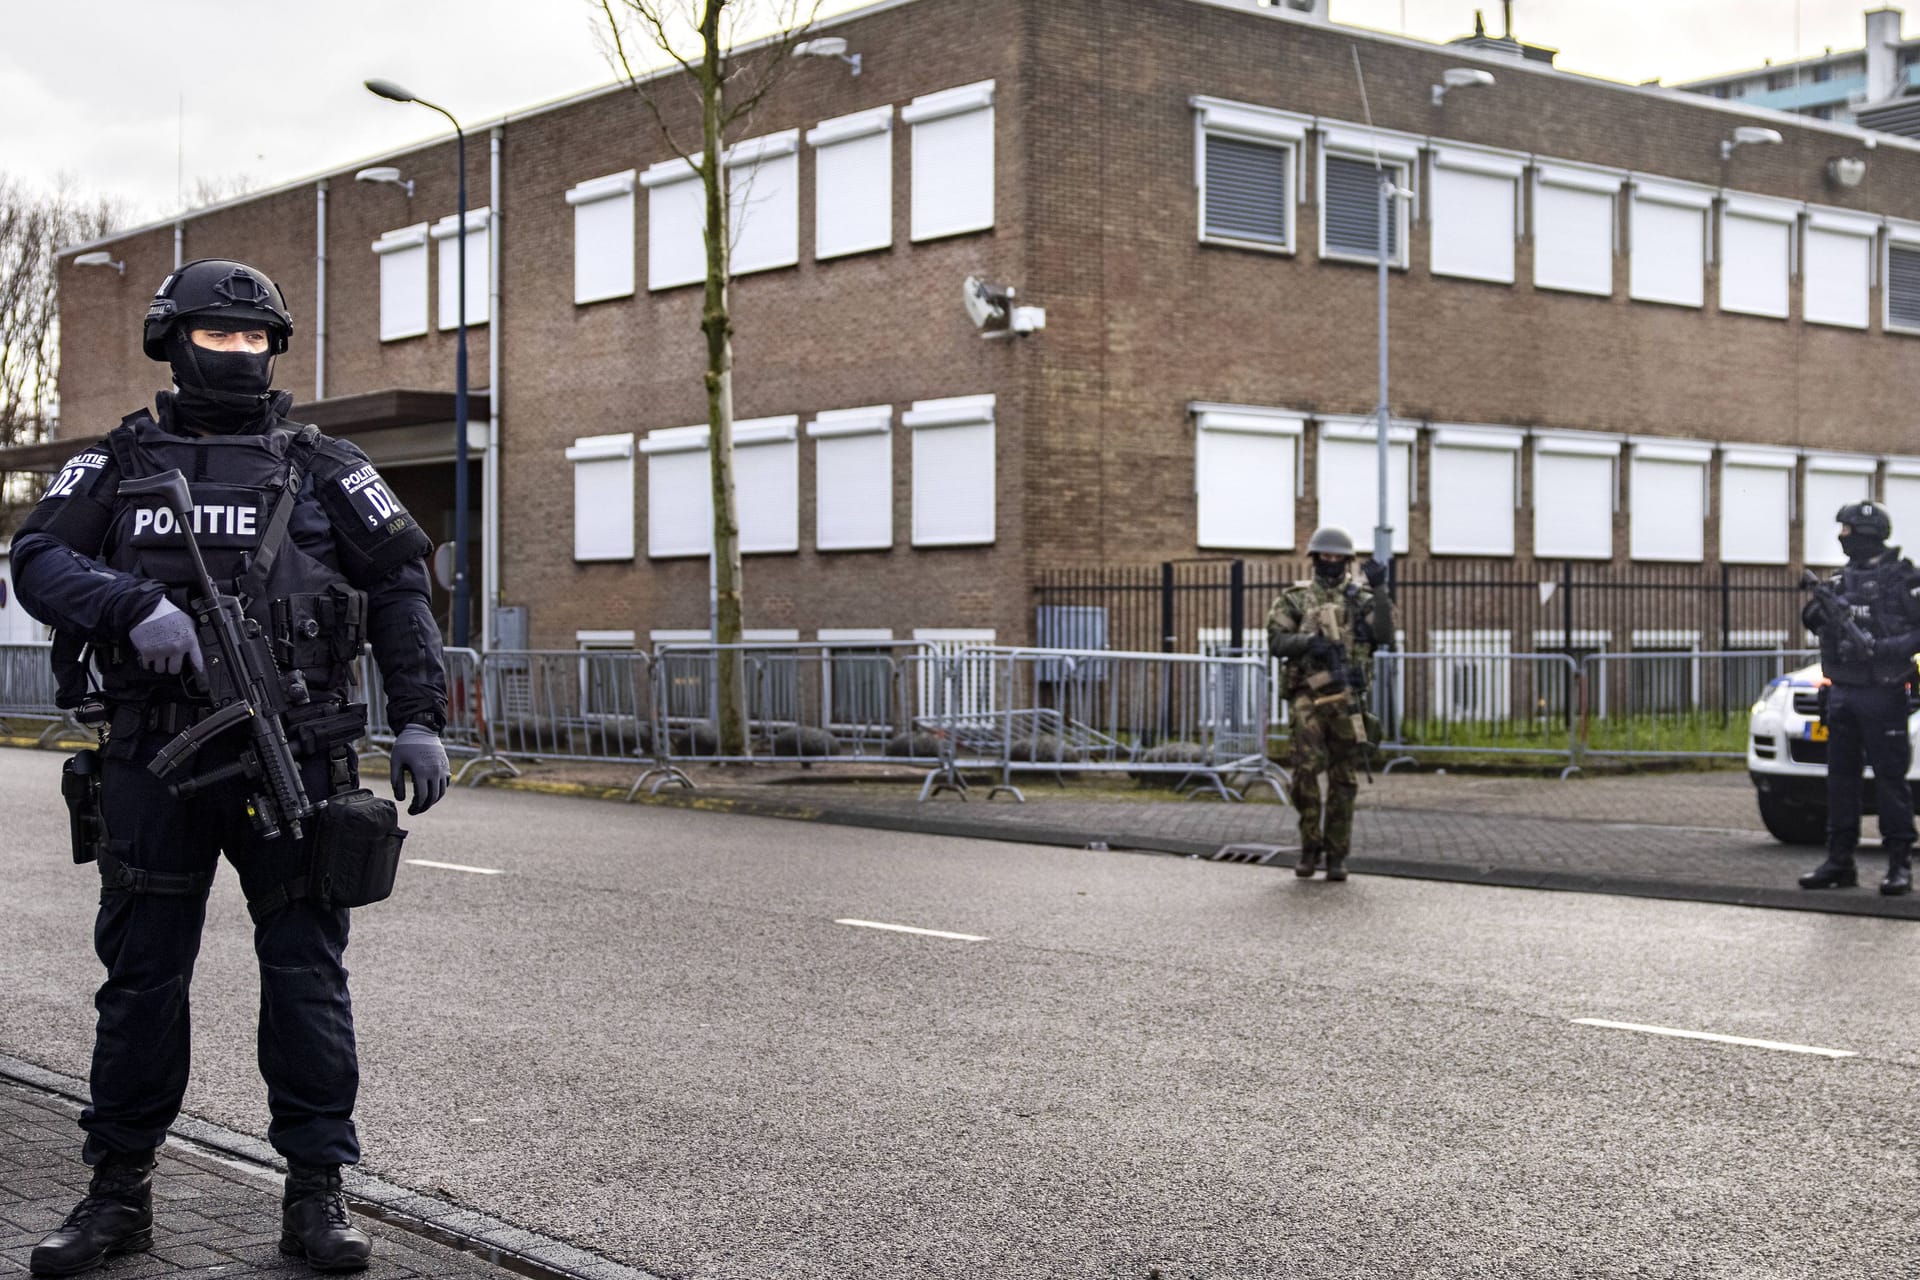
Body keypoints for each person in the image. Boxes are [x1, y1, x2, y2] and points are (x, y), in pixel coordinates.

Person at [13, 258, 453, 1275]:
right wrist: (133, 607)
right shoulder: (116, 462)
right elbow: (35, 557)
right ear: (173, 341)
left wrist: (423, 718)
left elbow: (398, 584)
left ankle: (317, 1191)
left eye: (258, 340)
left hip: (294, 753)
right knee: (140, 981)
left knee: (306, 978)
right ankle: (117, 1191)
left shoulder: (326, 464)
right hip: (152, 759)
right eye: (221, 336)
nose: (242, 354)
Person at [1798, 500, 1920, 896]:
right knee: (1841, 780)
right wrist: (1819, 612)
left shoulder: (1905, 579)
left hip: (1883, 691)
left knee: (1889, 780)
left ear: (1866, 534)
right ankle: (1839, 861)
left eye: (1847, 531)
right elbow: (1813, 621)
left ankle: (1899, 864)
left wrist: (1883, 647)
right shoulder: (1838, 582)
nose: (1841, 538)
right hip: (1842, 692)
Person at [1266, 526, 1394, 881]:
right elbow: (1276, 641)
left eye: (1339, 557)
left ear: (1347, 560)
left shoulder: (1362, 599)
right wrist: (1309, 643)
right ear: (1316, 558)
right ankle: (1310, 845)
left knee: (1343, 778)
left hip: (1348, 697)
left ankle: (1336, 855)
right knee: (1305, 771)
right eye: (1326, 556)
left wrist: (1381, 590)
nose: (1332, 562)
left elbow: (1384, 635)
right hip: (1309, 693)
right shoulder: (1295, 598)